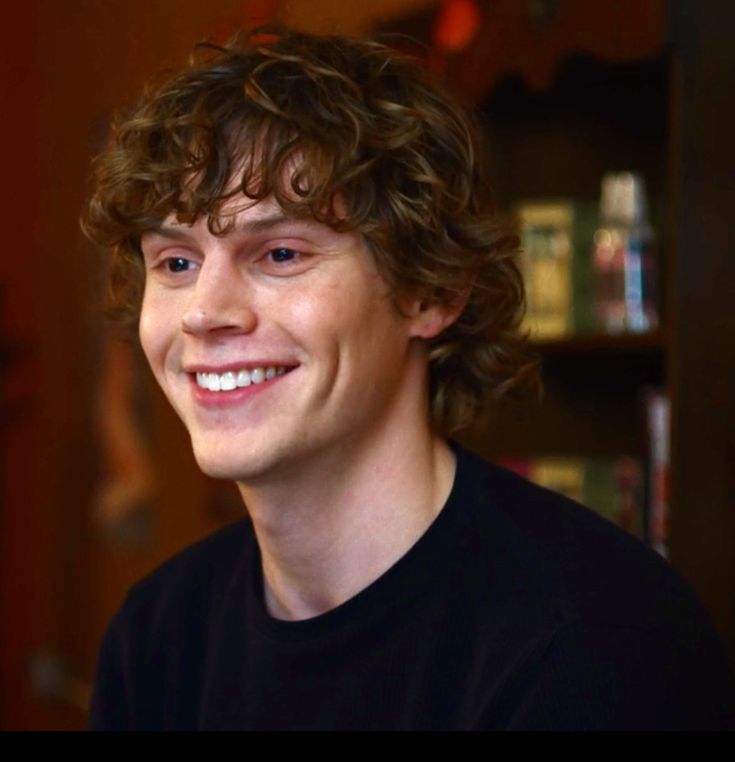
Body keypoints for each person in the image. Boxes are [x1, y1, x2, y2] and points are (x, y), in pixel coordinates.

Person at [83, 28, 735, 730]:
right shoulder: (158, 637)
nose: (204, 314)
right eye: (175, 263)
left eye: (278, 252)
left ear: (429, 291)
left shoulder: (593, 643)